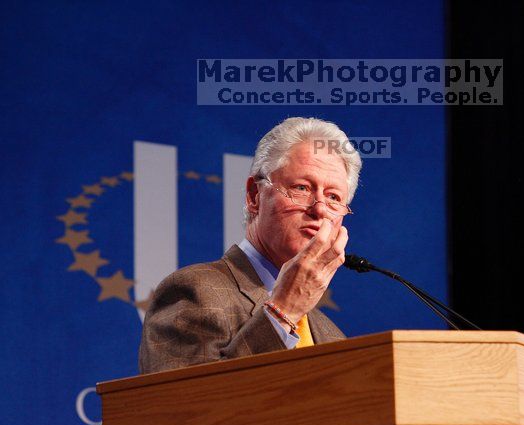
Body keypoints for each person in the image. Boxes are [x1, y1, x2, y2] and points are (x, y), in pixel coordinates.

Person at [138, 117, 362, 374]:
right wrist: (283, 312)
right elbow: (186, 409)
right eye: (301, 188)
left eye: (333, 197)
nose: (320, 209)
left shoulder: (333, 337)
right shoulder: (194, 291)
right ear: (255, 196)